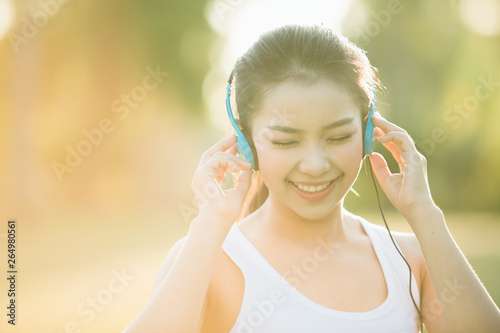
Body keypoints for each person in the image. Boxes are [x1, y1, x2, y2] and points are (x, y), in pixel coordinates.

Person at [124, 24, 500, 332]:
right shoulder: (211, 261)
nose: (316, 164)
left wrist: (425, 214)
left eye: (338, 137)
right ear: (246, 142)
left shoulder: (411, 259)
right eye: (286, 141)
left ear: (369, 134)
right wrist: (210, 225)